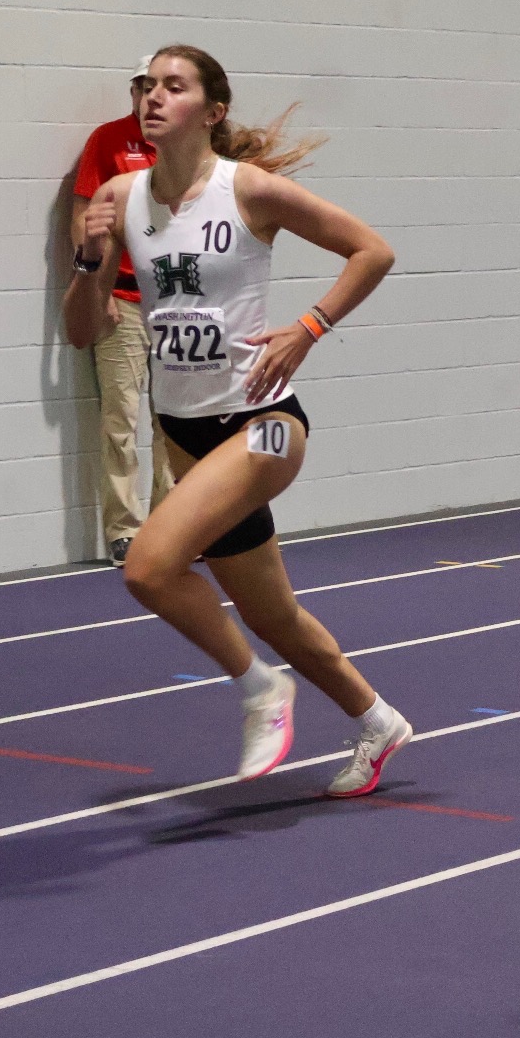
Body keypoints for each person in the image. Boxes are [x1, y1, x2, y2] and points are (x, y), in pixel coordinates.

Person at [63, 44, 412, 797]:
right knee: (274, 614)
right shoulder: (122, 197)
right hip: (184, 429)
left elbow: (371, 251)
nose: (153, 97)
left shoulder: (249, 189)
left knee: (149, 567)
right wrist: (91, 260)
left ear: (212, 110)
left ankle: (260, 689)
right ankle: (377, 719)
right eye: (144, 85)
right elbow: (83, 332)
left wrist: (308, 328)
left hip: (264, 423)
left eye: (173, 86)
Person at [69, 55, 174, 566]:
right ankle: (124, 531)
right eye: (143, 86)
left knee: (173, 421)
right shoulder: (108, 141)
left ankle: (172, 527)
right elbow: (83, 214)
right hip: (124, 298)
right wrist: (97, 289)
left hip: (176, 298)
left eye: (162, 87)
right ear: (133, 91)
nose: (151, 97)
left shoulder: (186, 147)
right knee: (121, 418)